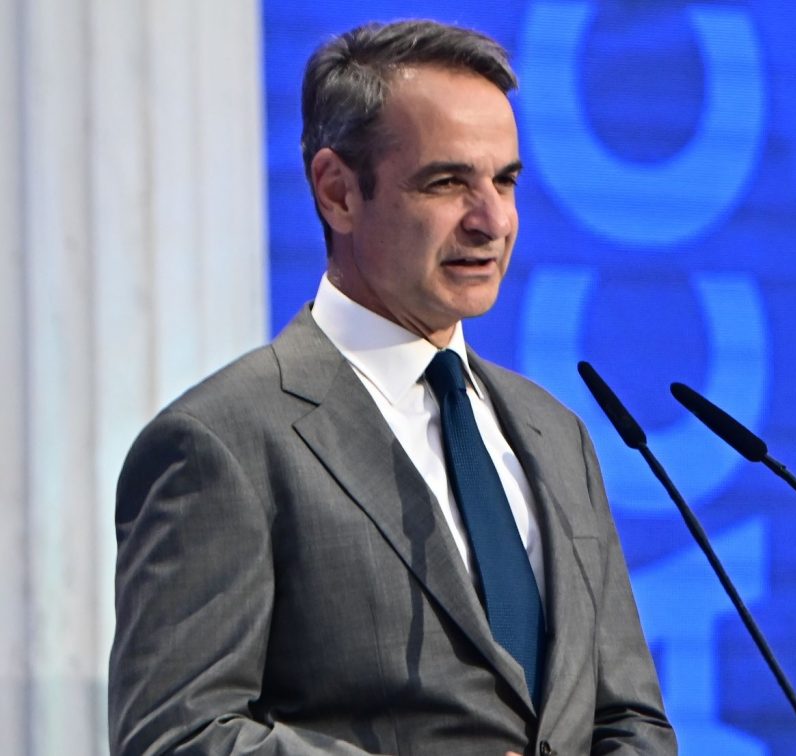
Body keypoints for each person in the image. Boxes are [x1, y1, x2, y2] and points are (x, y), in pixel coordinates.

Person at [108, 19, 675, 756]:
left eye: (505, 181)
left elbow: (629, 720)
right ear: (338, 192)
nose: (492, 221)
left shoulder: (555, 433)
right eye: (448, 183)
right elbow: (176, 737)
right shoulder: (223, 443)